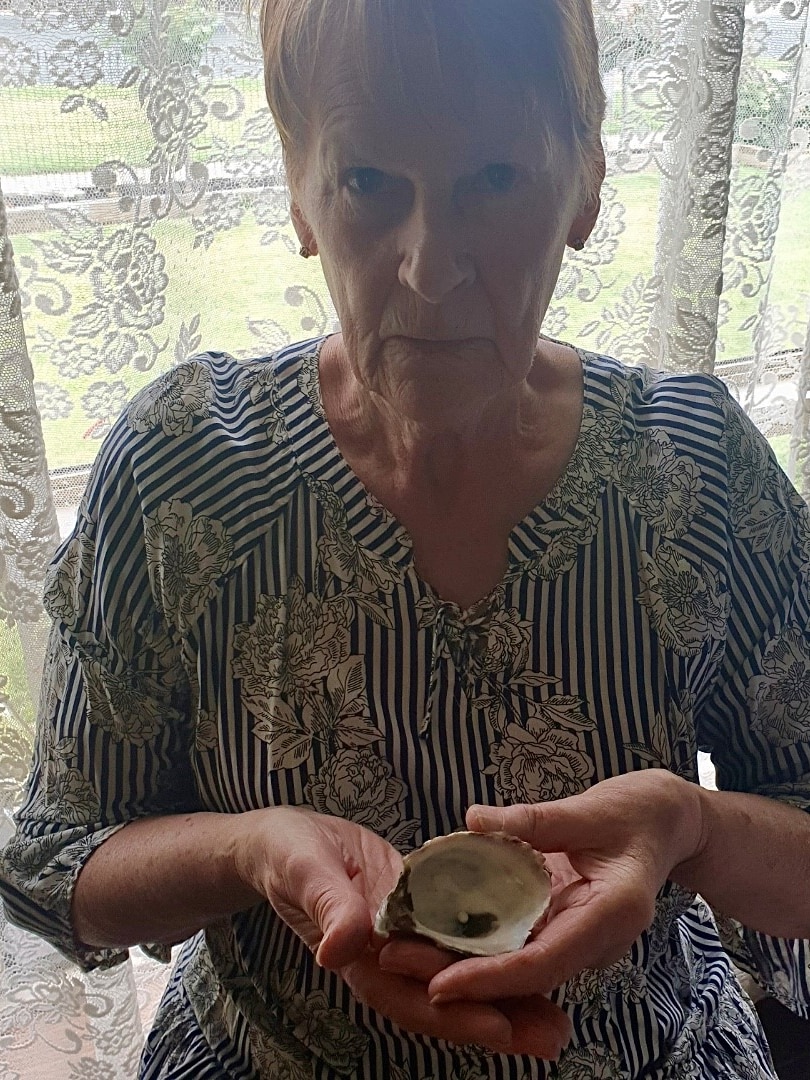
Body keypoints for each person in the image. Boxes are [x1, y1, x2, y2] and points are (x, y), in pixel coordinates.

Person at [1, 0, 809, 1077]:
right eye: (371, 183)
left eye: (495, 180)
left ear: (587, 180)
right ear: (299, 186)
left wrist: (694, 828)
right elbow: (64, 864)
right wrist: (249, 848)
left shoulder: (694, 470)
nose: (432, 269)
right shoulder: (182, 471)